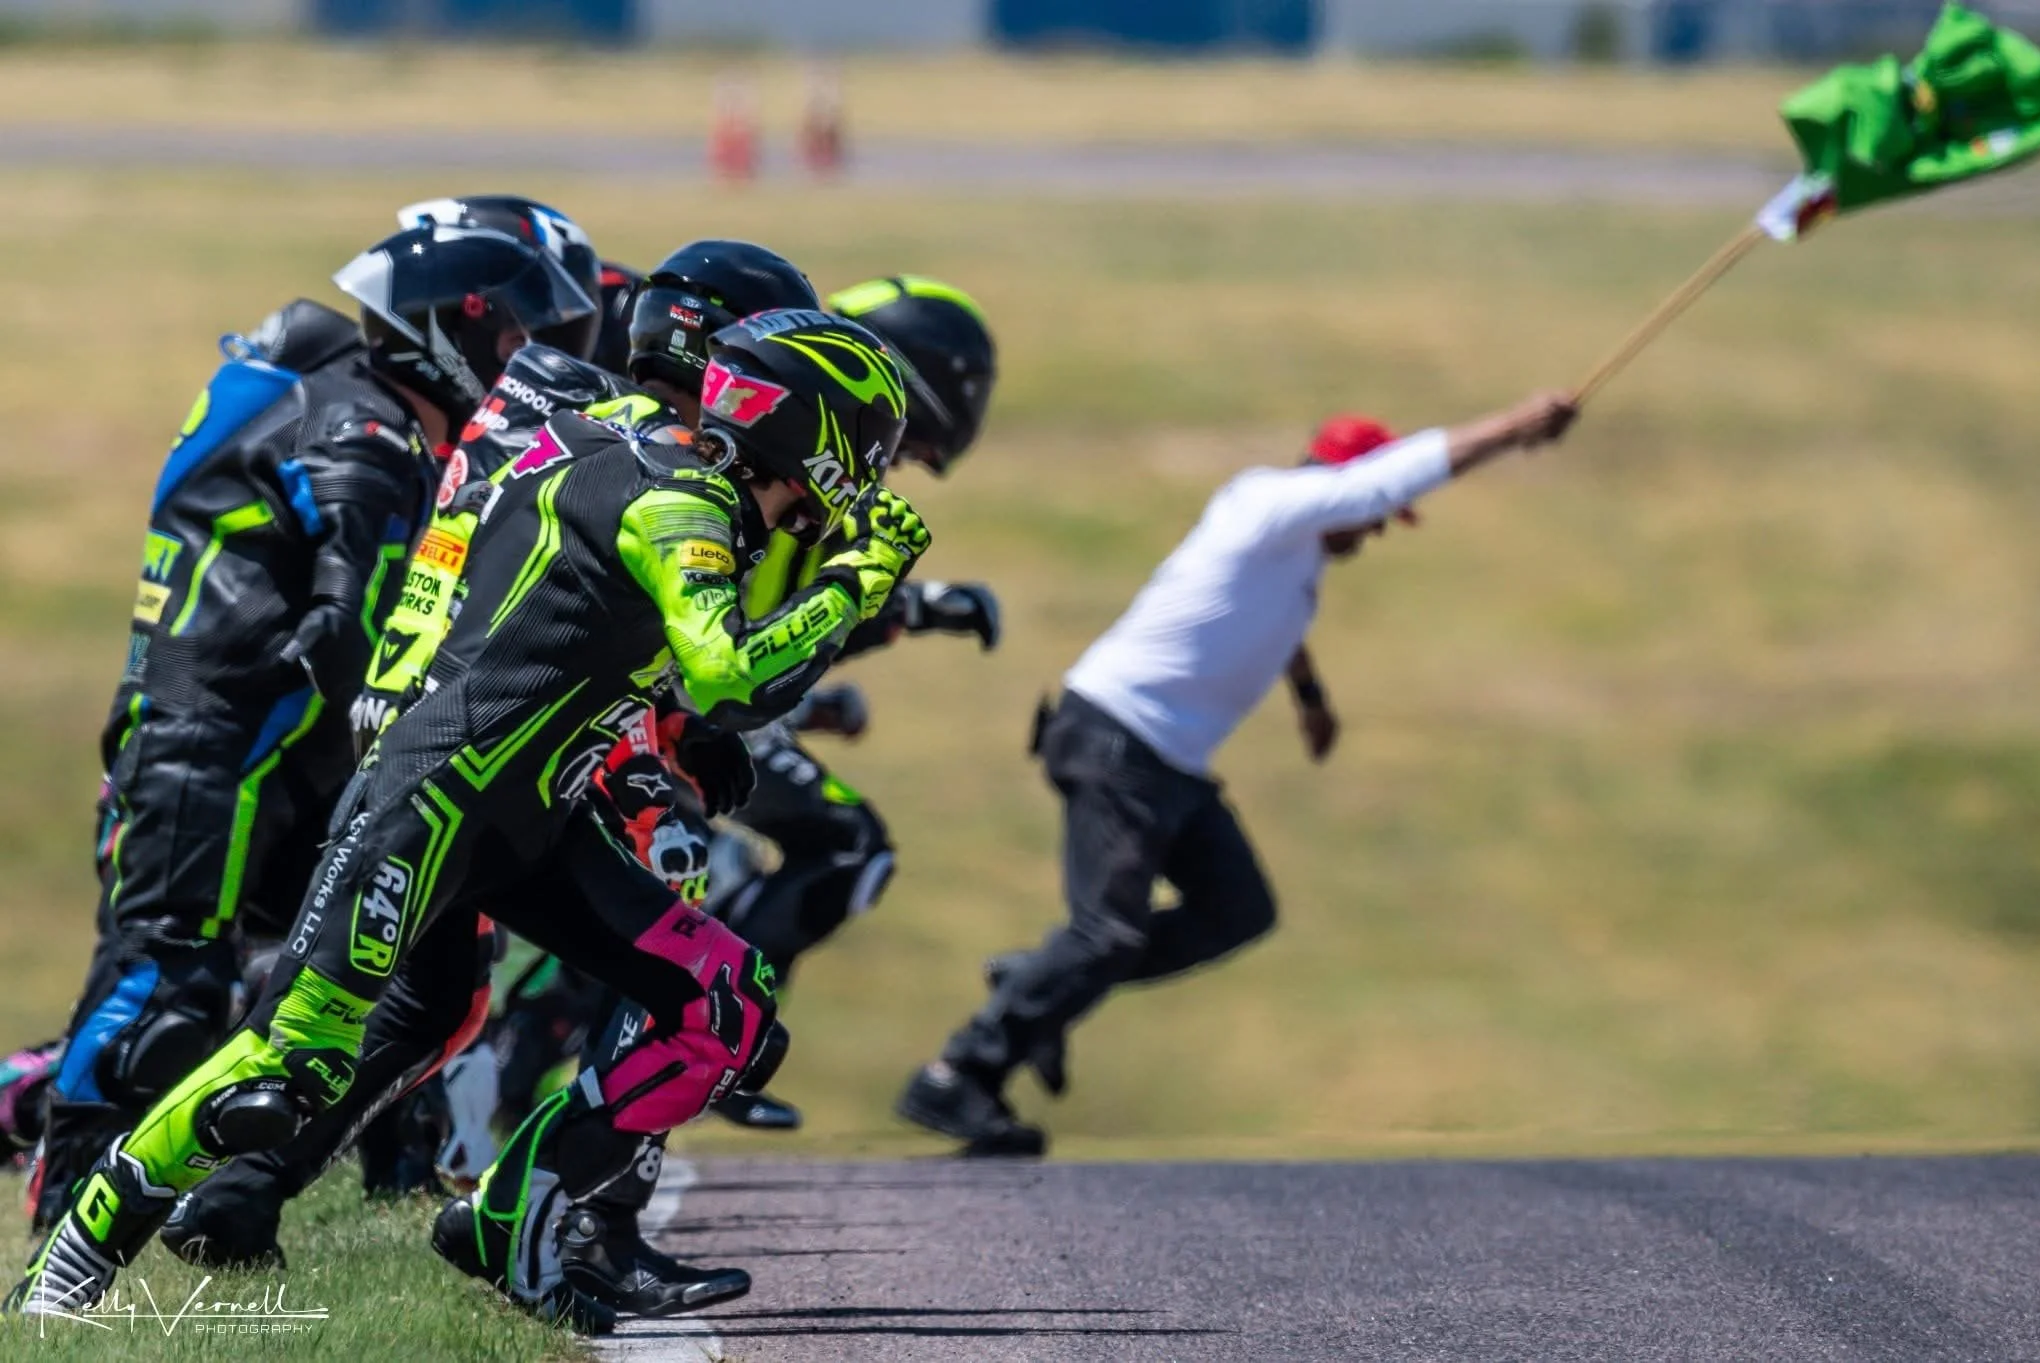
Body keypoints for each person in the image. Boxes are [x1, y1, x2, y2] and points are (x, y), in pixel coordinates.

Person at [9, 308, 929, 1327]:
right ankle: (72, 1260)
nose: (874, 477)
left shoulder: (634, 444)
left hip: (539, 814)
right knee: (288, 1060)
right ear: (821, 434)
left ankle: (508, 1223)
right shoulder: (680, 494)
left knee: (721, 1005)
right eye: (870, 446)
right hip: (433, 799)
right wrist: (858, 577)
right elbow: (725, 674)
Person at [157, 242, 824, 1297]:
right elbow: (567, 605)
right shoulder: (619, 427)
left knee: (432, 1003)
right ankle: (586, 1231)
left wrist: (682, 727)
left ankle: (239, 1192)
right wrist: (670, 738)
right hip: (483, 729)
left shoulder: (573, 400)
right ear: (712, 343)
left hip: (439, 708)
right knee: (668, 900)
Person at [28, 217, 596, 1228]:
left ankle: (231, 1198)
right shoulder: (362, 430)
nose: (519, 364)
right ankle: (57, 1225)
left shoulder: (340, 400)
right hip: (209, 748)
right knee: (160, 991)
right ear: (450, 326)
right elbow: (353, 629)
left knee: (325, 985)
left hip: (269, 753)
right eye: (511, 338)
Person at [896, 390, 1581, 1155]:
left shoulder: (1290, 553)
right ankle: (959, 1071)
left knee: (1237, 908)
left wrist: (1312, 700)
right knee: (1107, 931)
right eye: (1376, 511)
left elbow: (1261, 623)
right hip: (1118, 737)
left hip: (1166, 759)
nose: (1379, 528)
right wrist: (1515, 430)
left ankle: (1034, 978)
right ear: (1342, 482)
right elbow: (1390, 482)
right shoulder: (1270, 503)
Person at [706, 275, 1002, 1132]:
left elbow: (795, 611)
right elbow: (794, 604)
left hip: (705, 691)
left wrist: (817, 694)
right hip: (692, 702)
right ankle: (713, 1042)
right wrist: (923, 606)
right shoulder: (809, 452)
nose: (892, 466)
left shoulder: (791, 423)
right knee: (845, 845)